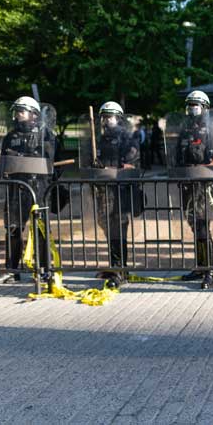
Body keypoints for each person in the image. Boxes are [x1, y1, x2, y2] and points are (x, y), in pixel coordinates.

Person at [0, 97, 56, 284]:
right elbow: (3, 160)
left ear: (34, 113)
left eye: (21, 110)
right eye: (16, 111)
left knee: (41, 230)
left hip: (38, 187)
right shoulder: (10, 136)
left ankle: (44, 269)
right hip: (16, 188)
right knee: (13, 229)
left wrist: (23, 156)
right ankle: (12, 269)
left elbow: (50, 162)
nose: (17, 114)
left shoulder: (46, 135)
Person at [175, 90, 213, 289]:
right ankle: (200, 267)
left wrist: (205, 169)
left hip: (204, 186)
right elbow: (177, 156)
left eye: (196, 105)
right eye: (190, 105)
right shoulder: (185, 130)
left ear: (204, 108)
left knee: (203, 227)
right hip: (187, 185)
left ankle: (209, 271)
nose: (192, 108)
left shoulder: (211, 131)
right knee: (195, 227)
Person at [90, 101, 140, 289]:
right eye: (104, 116)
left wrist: (109, 170)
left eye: (110, 116)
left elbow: (130, 164)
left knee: (119, 229)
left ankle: (120, 269)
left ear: (118, 118)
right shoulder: (101, 139)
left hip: (120, 192)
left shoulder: (127, 138)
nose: (106, 120)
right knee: (108, 228)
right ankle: (113, 266)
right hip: (104, 191)